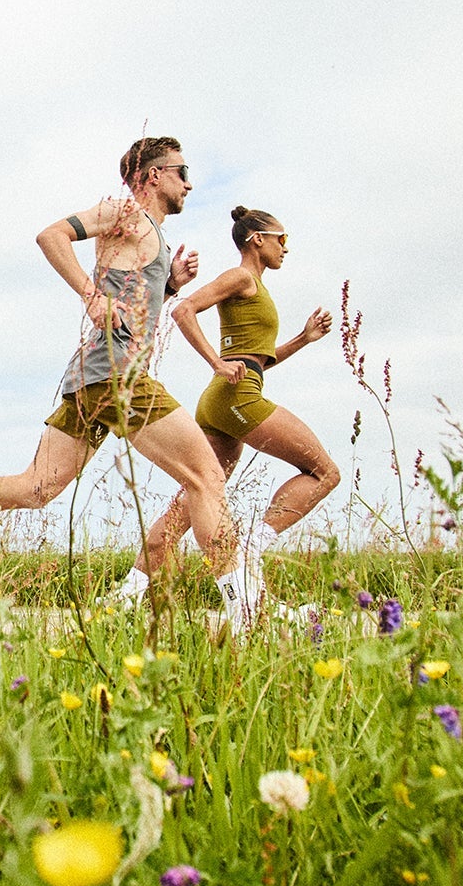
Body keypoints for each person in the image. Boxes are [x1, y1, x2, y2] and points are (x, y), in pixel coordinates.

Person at [0, 136, 256, 624]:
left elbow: (131, 287)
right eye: (182, 171)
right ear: (153, 175)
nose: (189, 182)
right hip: (117, 374)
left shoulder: (147, 232)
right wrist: (90, 295)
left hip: (93, 377)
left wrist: (171, 281)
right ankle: (247, 611)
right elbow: (51, 235)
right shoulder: (124, 211)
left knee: (36, 489)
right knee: (206, 477)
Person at [139, 206, 339, 616]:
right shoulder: (241, 276)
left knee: (200, 493)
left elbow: (256, 359)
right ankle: (251, 545)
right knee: (325, 473)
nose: (287, 247)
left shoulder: (255, 286)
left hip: (227, 395)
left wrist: (303, 338)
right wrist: (215, 362)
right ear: (257, 239)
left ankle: (130, 589)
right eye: (282, 238)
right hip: (236, 395)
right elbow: (182, 310)